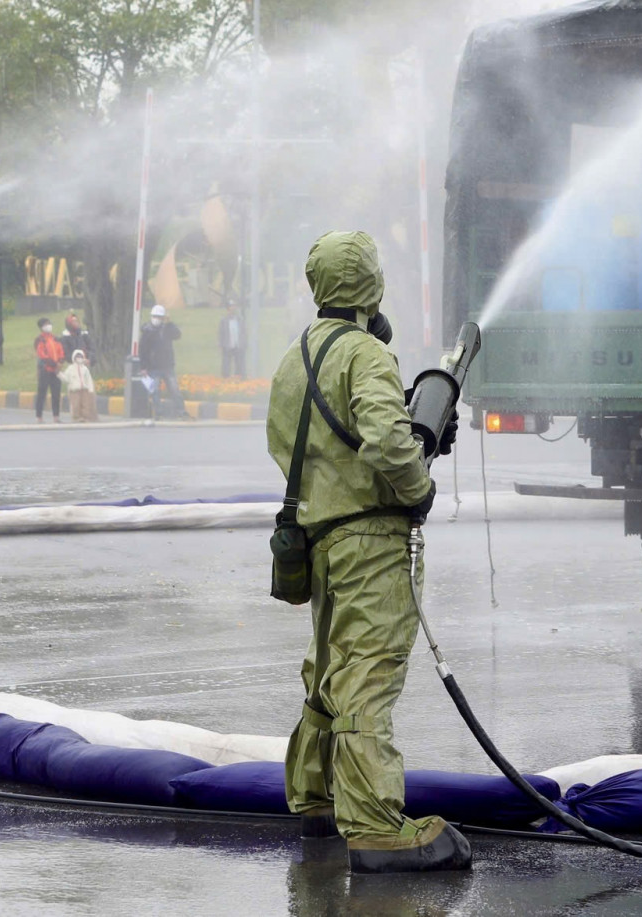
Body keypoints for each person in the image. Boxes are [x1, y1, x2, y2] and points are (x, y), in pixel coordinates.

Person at [266, 230, 467, 873]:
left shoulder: (295, 358)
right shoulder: (367, 353)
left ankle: (317, 797)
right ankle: (376, 826)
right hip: (371, 543)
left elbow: (307, 444)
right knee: (369, 673)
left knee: (328, 668)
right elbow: (384, 442)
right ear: (371, 286)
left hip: (318, 539)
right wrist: (419, 484)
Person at [139, 304, 183, 418]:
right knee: (155, 392)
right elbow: (143, 351)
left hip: (167, 366)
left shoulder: (167, 329)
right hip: (153, 367)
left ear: (163, 318)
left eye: (159, 317)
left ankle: (181, 411)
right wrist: (143, 367)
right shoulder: (147, 331)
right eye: (154, 316)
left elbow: (177, 335)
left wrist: (169, 323)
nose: (156, 319)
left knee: (174, 390)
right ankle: (159, 413)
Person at [33, 318, 64, 422]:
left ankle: (56, 416)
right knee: (42, 393)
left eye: (49, 324)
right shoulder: (39, 340)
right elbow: (42, 354)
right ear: (41, 327)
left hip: (56, 370)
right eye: (46, 324)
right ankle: (39, 416)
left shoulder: (55, 338)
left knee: (56, 393)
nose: (49, 326)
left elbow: (61, 351)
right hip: (45, 369)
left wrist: (60, 362)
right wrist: (55, 364)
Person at [63, 349, 97, 422]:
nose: (79, 358)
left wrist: (90, 389)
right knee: (75, 405)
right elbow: (66, 378)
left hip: (84, 390)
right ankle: (76, 418)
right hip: (74, 390)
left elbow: (88, 379)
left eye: (81, 356)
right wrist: (59, 374)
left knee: (85, 404)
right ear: (74, 358)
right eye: (77, 356)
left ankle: (85, 417)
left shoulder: (84, 369)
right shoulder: (70, 368)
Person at [218, 301, 245, 378]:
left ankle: (238, 375)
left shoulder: (240, 320)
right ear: (228, 309)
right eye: (231, 307)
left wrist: (243, 343)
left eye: (234, 307)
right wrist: (221, 344)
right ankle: (225, 376)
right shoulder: (224, 321)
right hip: (227, 345)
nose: (233, 309)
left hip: (238, 344)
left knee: (239, 361)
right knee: (226, 362)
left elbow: (243, 332)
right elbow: (221, 333)